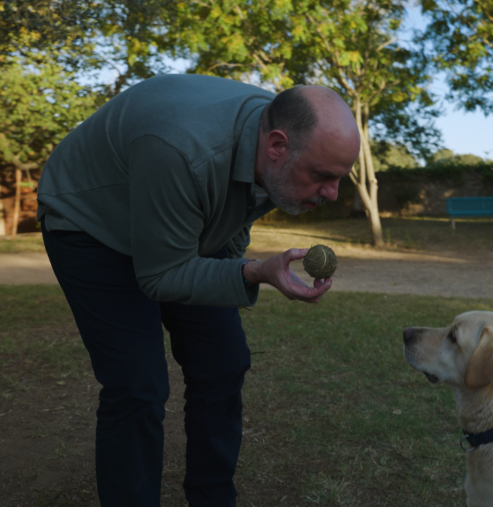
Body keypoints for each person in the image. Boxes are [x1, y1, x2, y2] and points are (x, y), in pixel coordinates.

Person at [36, 74, 360, 507]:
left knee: (224, 361)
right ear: (277, 146)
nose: (333, 194)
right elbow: (159, 278)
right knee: (137, 384)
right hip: (91, 223)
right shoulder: (184, 148)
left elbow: (238, 211)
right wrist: (251, 272)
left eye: (340, 178)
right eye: (322, 176)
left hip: (173, 214)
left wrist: (239, 259)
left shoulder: (278, 133)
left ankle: (212, 499)